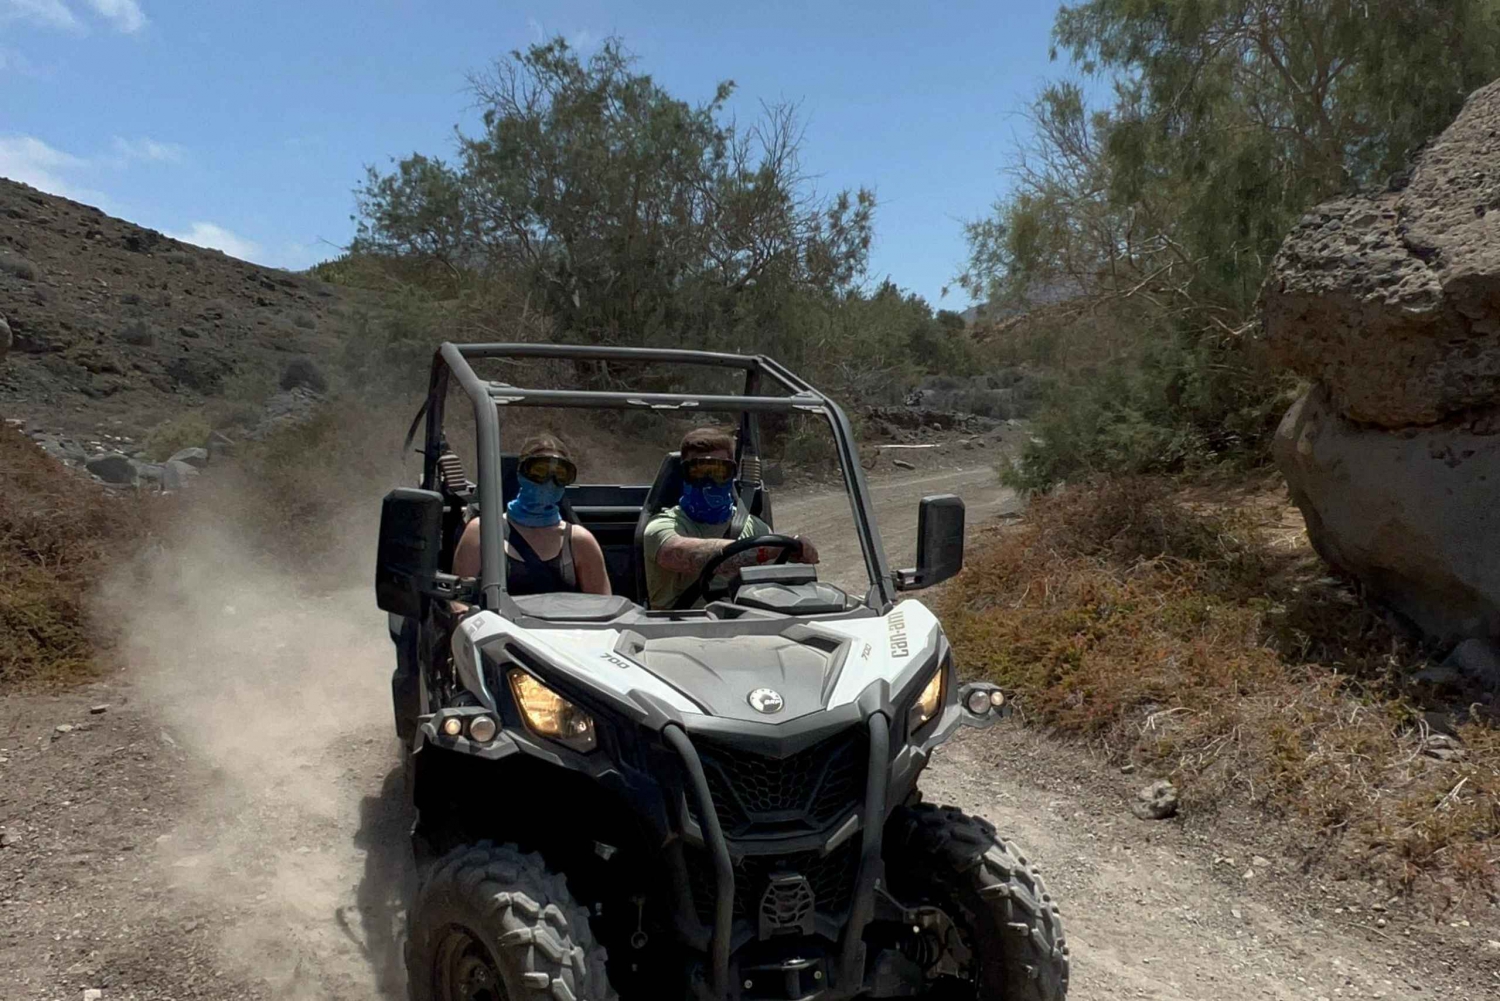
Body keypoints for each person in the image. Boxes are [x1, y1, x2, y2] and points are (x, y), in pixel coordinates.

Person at [643, 427, 819, 609]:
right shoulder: (661, 527)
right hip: (674, 630)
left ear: (732, 474)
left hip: (740, 627)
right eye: (699, 472)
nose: (709, 481)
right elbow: (681, 554)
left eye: (719, 472)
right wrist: (768, 549)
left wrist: (798, 552)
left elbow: (773, 589)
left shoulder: (756, 529)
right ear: (684, 475)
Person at [452, 434, 611, 596]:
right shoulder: (482, 532)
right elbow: (459, 604)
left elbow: (605, 607)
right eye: (540, 471)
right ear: (521, 474)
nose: (549, 482)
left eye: (560, 474)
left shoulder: (580, 541)